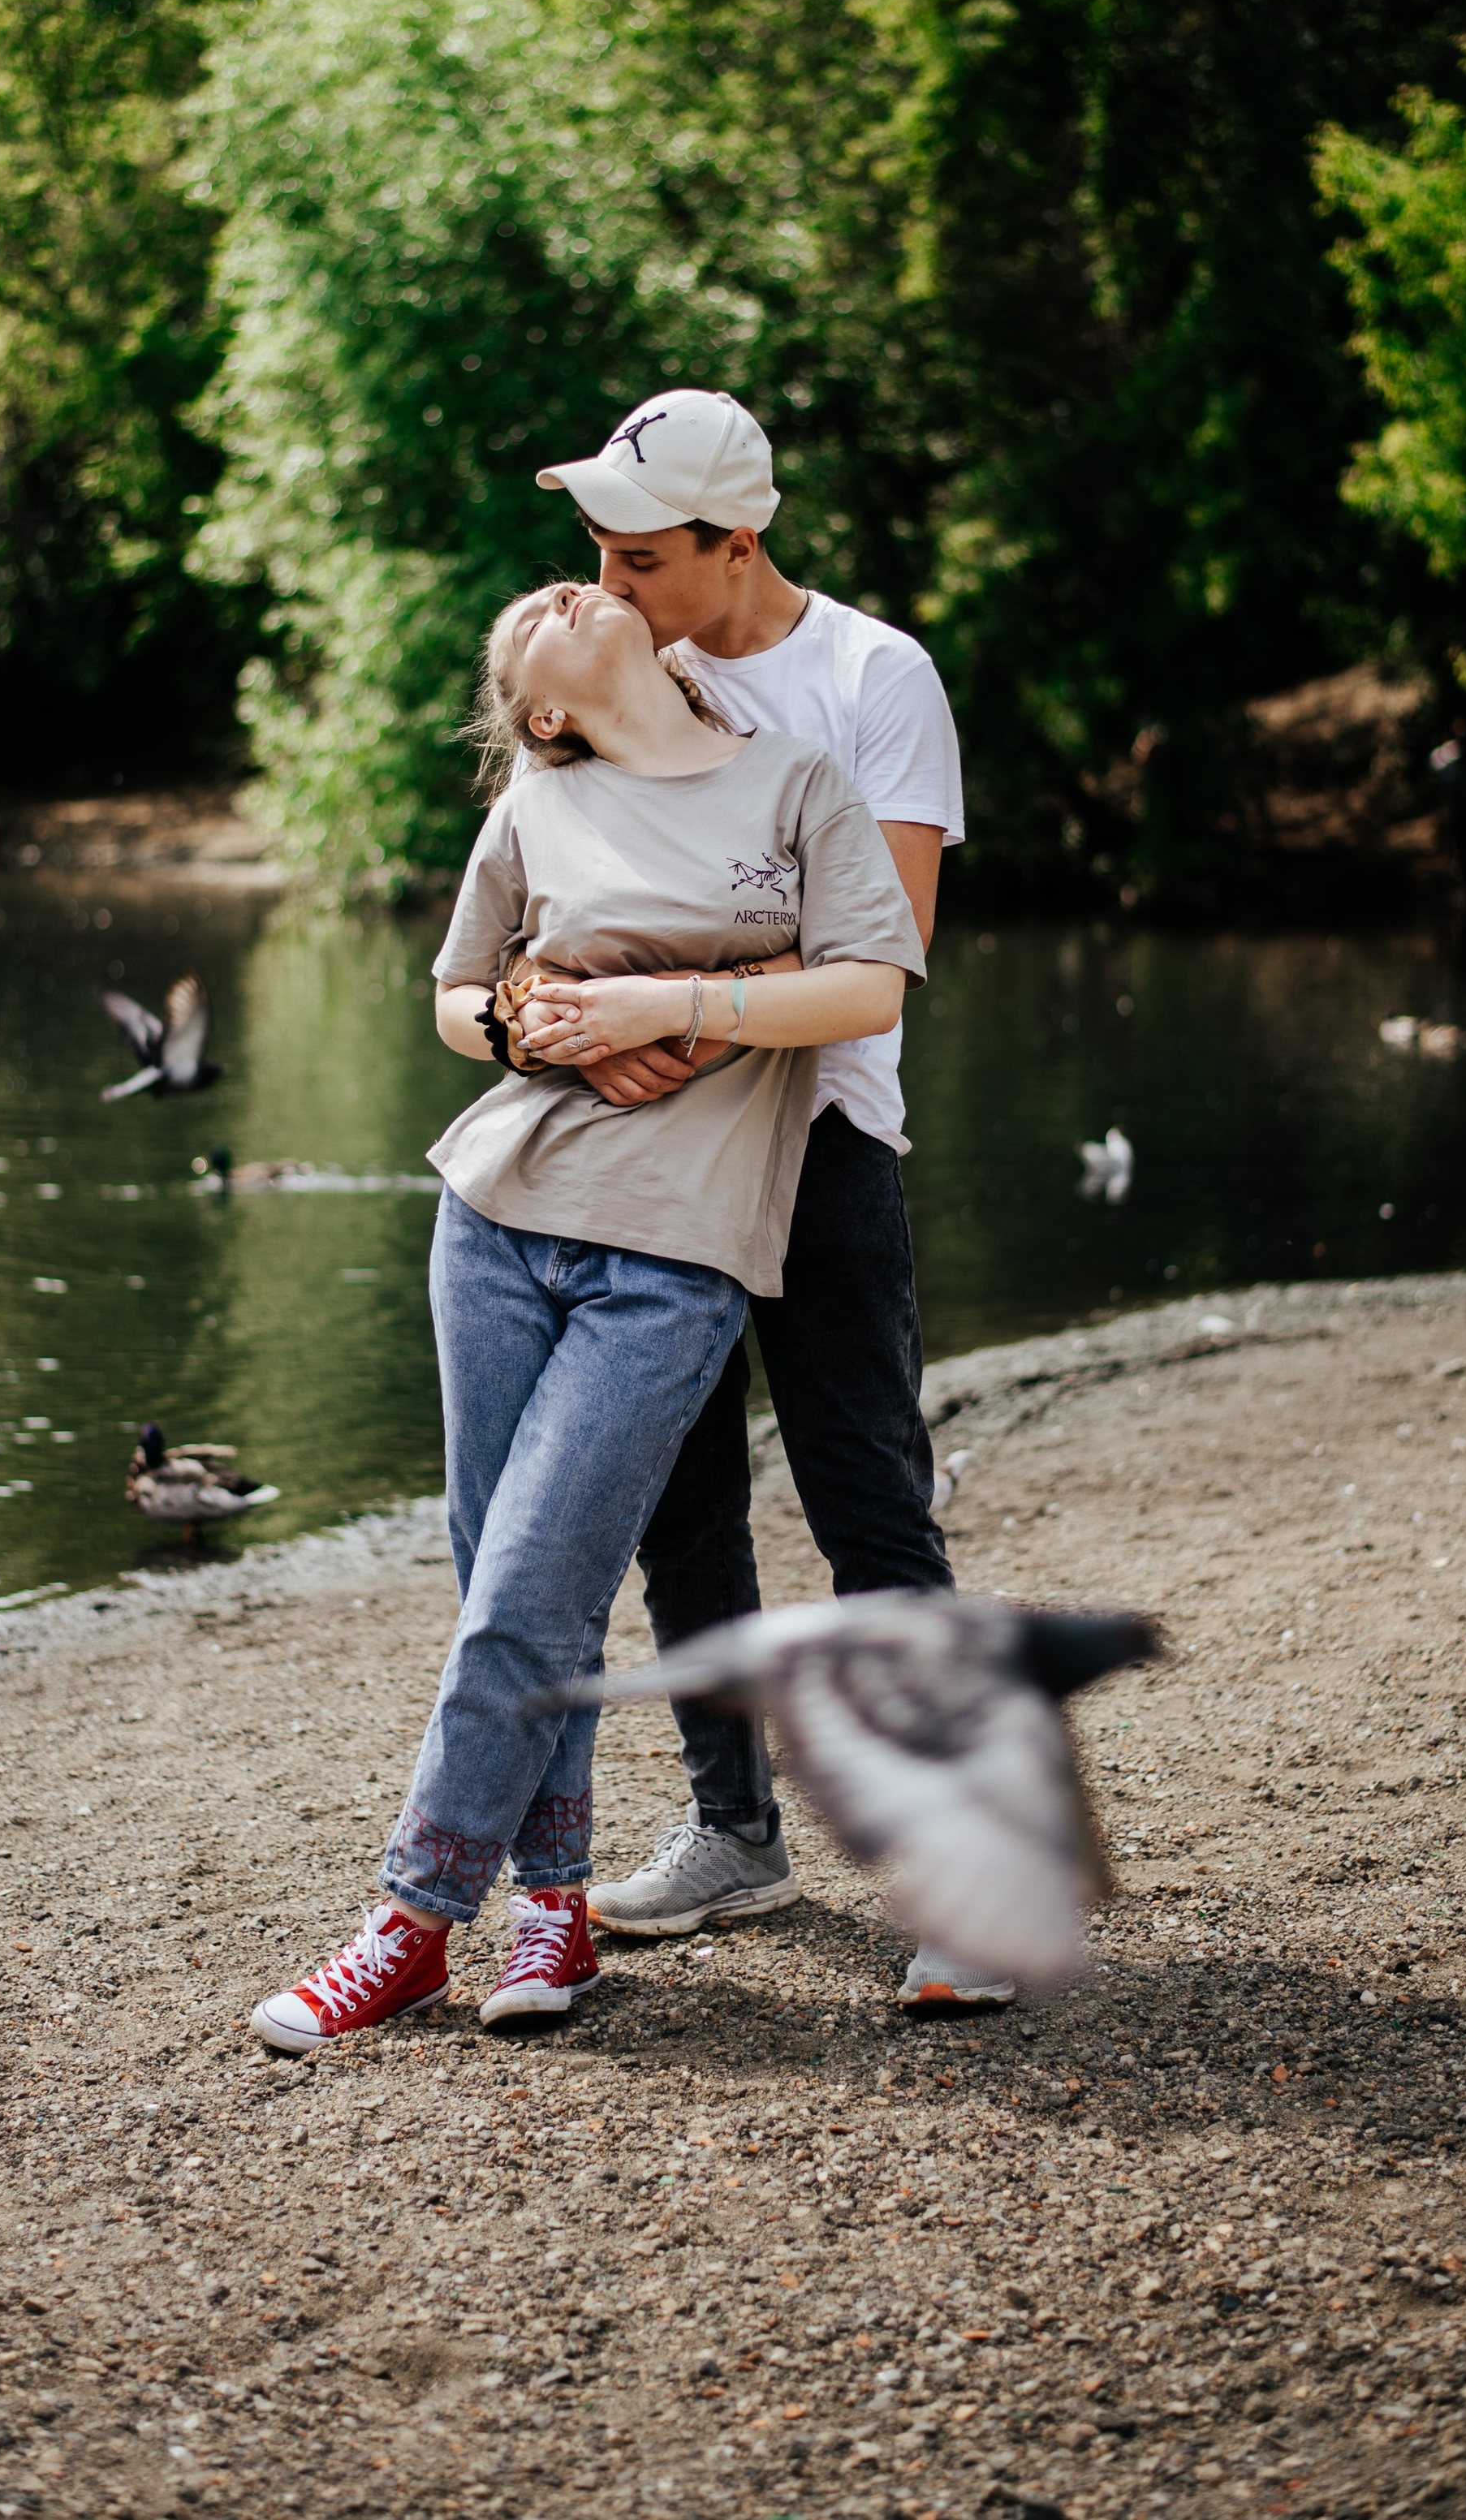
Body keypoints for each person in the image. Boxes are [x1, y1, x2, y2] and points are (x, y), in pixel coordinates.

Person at [251, 577, 923, 2046]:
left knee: (527, 1590)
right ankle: (551, 1910)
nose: (563, 589)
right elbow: (451, 998)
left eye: (573, 584)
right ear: (542, 711)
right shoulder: (537, 809)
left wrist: (667, 1007)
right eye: (527, 623)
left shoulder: (796, 781)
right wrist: (525, 1023)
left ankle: (411, 1921)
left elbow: (871, 984)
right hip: (494, 1217)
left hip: (677, 1251)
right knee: (509, 1584)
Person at [536, 388, 1003, 2010]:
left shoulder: (873, 679)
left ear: (740, 543)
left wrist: (670, 1009)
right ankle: (734, 1833)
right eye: (594, 547)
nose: (605, 581)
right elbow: (552, 893)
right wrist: (577, 1024)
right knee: (677, 1504)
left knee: (869, 1500)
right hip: (652, 1158)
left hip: (819, 1149)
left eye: (640, 555)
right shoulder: (619, 660)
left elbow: (872, 963)